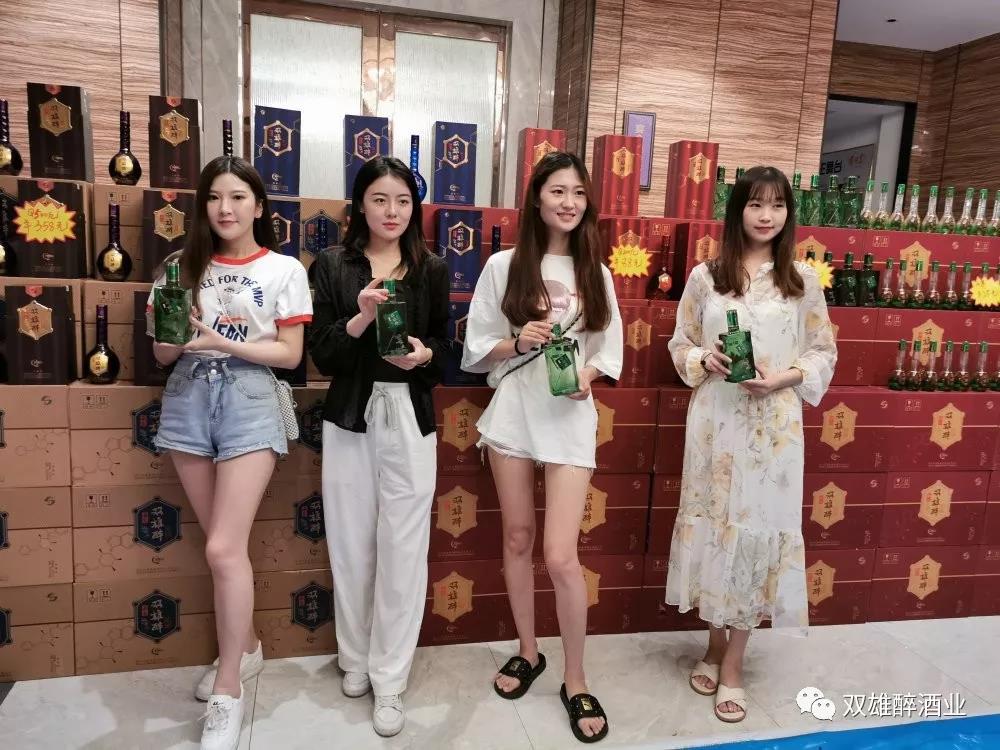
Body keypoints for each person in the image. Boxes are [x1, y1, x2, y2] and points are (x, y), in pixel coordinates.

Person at [149, 155, 312, 750]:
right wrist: (176, 332)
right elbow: (163, 354)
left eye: (238, 197)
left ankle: (228, 689)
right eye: (215, 197)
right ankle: (245, 650)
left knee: (223, 547)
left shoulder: (283, 269)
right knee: (219, 546)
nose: (226, 208)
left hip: (250, 398)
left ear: (259, 206)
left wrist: (224, 341)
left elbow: (291, 354)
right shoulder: (178, 267)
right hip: (188, 397)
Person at [462, 151, 623, 744]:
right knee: (517, 537)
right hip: (514, 414)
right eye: (558, 190)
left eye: (578, 193)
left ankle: (575, 678)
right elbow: (476, 346)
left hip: (569, 418)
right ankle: (529, 650)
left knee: (559, 556)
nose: (569, 202)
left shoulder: (595, 272)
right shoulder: (504, 265)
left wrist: (588, 376)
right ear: (536, 197)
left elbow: (609, 349)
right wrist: (517, 341)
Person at [666, 166, 837, 723]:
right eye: (756, 204)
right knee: (717, 525)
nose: (766, 215)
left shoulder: (802, 281)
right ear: (737, 209)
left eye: (778, 205)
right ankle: (714, 645)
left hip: (773, 427)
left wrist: (782, 378)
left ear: (789, 213)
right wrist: (705, 359)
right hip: (716, 421)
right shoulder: (705, 277)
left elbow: (823, 352)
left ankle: (734, 663)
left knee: (757, 532)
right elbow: (680, 343)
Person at [307, 156, 449, 738]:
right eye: (380, 199)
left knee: (404, 548)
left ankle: (391, 677)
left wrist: (426, 356)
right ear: (360, 205)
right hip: (351, 416)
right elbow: (322, 354)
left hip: (410, 417)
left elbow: (446, 346)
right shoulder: (332, 266)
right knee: (350, 542)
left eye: (403, 201)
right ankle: (355, 657)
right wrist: (361, 318)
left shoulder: (431, 268)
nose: (392, 212)